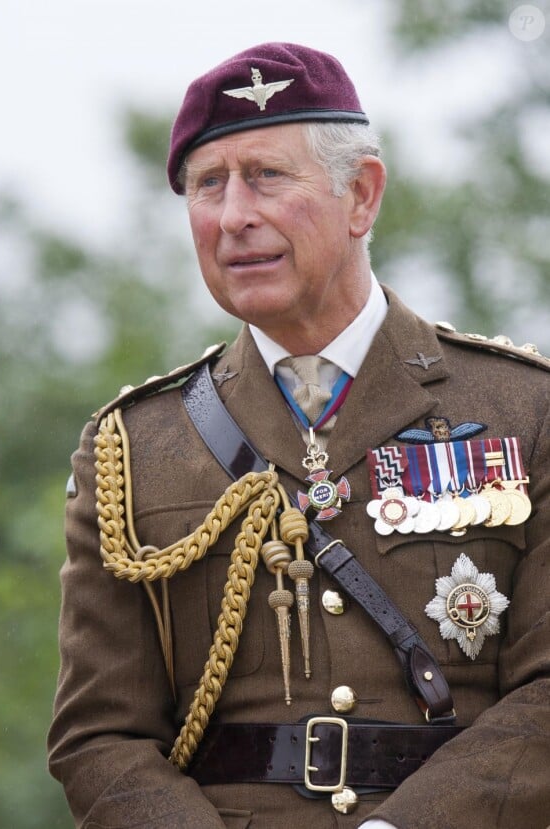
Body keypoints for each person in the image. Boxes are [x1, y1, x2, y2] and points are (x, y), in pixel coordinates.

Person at [48, 42, 550, 828]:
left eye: (267, 177)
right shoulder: (131, 449)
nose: (235, 215)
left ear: (362, 194)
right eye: (208, 185)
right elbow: (99, 736)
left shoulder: (526, 409)